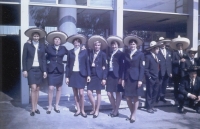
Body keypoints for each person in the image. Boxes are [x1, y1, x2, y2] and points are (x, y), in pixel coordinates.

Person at [22, 28, 47, 116]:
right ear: (32, 37)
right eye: (34, 36)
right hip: (31, 69)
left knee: (37, 89)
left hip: (39, 69)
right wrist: (24, 69)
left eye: (37, 36)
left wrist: (44, 71)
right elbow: (24, 58)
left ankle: (36, 107)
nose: (36, 38)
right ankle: (32, 109)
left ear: (39, 37)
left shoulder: (42, 45)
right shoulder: (27, 45)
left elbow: (43, 59)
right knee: (33, 88)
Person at [65, 34, 90, 118]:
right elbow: (68, 65)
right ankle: (78, 109)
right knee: (75, 93)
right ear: (73, 43)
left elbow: (87, 64)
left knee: (81, 93)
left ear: (80, 43)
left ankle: (83, 110)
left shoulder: (84, 51)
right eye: (75, 42)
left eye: (78, 42)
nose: (77, 44)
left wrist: (88, 75)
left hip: (81, 74)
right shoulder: (70, 52)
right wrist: (67, 76)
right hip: (73, 74)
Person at [122, 35, 144, 123]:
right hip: (127, 78)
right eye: (131, 44)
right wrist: (123, 79)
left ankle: (134, 115)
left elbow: (142, 68)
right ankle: (132, 112)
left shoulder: (140, 54)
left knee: (135, 97)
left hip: (136, 78)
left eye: (134, 44)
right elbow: (124, 67)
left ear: (136, 45)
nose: (132, 45)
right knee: (127, 97)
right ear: (129, 45)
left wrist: (140, 80)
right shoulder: (126, 54)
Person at [45, 31, 68, 114]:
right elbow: (40, 52)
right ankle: (50, 106)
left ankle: (56, 105)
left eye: (58, 39)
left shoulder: (63, 48)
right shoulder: (49, 48)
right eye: (55, 39)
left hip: (60, 70)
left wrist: (82, 48)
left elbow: (71, 54)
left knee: (59, 88)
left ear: (60, 41)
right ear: (53, 41)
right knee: (51, 88)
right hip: (51, 70)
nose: (57, 41)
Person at [87, 35, 108, 118]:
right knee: (89, 93)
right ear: (93, 46)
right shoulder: (90, 53)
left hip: (99, 76)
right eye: (95, 45)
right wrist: (88, 75)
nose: (97, 46)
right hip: (91, 75)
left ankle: (97, 110)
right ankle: (94, 107)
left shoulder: (103, 54)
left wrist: (104, 78)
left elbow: (105, 67)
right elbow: (88, 65)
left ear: (100, 46)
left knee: (98, 93)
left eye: (98, 45)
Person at [106, 36, 124, 117]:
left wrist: (121, 77)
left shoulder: (121, 54)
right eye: (112, 45)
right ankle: (114, 108)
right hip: (110, 75)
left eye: (115, 45)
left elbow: (122, 67)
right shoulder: (110, 54)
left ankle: (116, 111)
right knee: (109, 93)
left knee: (117, 93)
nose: (114, 46)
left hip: (117, 76)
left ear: (118, 45)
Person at [170, 35, 190, 100]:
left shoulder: (185, 53)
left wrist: (185, 60)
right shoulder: (174, 53)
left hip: (183, 72)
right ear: (177, 46)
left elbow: (188, 61)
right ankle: (176, 96)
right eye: (179, 46)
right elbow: (172, 61)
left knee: (183, 84)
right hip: (176, 72)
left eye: (181, 46)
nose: (180, 47)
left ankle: (183, 96)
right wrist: (179, 61)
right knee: (176, 84)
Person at [145, 41, 161, 113]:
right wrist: (149, 77)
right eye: (157, 49)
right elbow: (146, 69)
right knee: (149, 92)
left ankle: (152, 105)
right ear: (153, 49)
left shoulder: (156, 56)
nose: (158, 50)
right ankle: (148, 107)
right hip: (151, 77)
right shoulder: (148, 57)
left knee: (155, 92)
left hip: (156, 77)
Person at [157, 37, 172, 103]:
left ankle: (162, 97)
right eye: (162, 43)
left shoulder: (169, 52)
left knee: (164, 85)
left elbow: (169, 63)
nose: (163, 44)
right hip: (160, 71)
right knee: (159, 85)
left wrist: (170, 72)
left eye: (164, 43)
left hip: (167, 72)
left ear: (165, 44)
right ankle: (157, 97)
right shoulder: (157, 51)